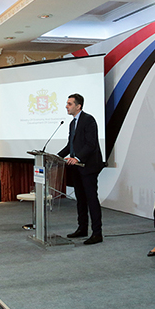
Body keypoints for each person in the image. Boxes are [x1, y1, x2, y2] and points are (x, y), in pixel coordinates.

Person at [59, 93, 104, 245]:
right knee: (80, 199)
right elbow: (70, 146)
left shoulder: (88, 120)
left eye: (69, 104)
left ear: (78, 106)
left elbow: (91, 144)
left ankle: (97, 233)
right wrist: (56, 156)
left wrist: (77, 158)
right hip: (76, 168)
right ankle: (82, 228)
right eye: (67, 103)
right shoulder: (72, 124)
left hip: (88, 166)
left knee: (91, 199)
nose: (66, 106)